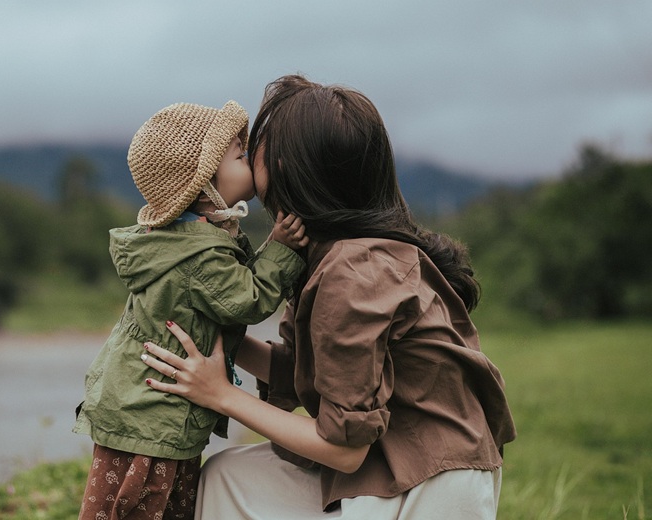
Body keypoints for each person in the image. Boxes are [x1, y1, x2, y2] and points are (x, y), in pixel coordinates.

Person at [141, 75, 517, 519]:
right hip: (397, 461)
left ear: (286, 167)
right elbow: (310, 371)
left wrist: (221, 395)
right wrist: (218, 333)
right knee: (227, 476)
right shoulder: (333, 252)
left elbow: (345, 450)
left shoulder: (354, 271)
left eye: (253, 148)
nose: (246, 154)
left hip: (429, 486)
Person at [73, 99, 308, 520]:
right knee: (147, 507)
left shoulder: (192, 237)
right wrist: (282, 250)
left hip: (146, 411)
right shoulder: (199, 253)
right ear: (204, 188)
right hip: (151, 420)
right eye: (239, 156)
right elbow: (247, 299)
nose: (249, 160)